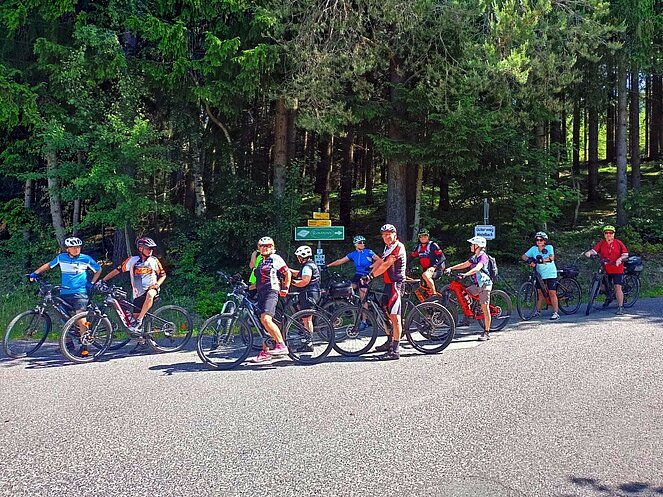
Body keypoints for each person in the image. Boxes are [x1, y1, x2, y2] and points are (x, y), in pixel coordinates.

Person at [30, 236, 102, 355]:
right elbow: (49, 265)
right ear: (67, 249)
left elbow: (98, 269)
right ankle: (68, 344)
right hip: (65, 293)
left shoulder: (86, 259)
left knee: (80, 318)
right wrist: (35, 273)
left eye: (78, 247)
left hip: (80, 293)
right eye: (73, 247)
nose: (76, 249)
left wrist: (92, 283)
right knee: (63, 318)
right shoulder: (61, 257)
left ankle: (85, 346)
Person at [102, 237, 166, 335]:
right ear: (140, 248)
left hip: (151, 289)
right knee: (136, 328)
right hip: (138, 294)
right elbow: (118, 270)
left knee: (149, 295)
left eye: (152, 249)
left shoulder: (154, 260)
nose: (150, 251)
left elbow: (163, 275)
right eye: (148, 248)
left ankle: (140, 320)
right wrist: (103, 280)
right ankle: (142, 341)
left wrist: (157, 285)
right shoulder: (132, 260)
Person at [361, 224, 407, 360]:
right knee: (384, 310)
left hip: (396, 284)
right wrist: (369, 271)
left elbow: (387, 264)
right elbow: (381, 261)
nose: (386, 237)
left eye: (388, 234)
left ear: (395, 235)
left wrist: (371, 276)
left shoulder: (398, 247)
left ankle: (395, 351)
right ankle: (390, 341)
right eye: (384, 235)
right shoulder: (387, 247)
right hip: (388, 284)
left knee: (394, 316)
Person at [445, 236, 493, 340]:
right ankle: (469, 314)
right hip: (476, 284)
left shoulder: (483, 257)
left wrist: (465, 275)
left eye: (472, 244)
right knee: (464, 293)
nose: (470, 246)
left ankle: (487, 332)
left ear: (478, 246)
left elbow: (477, 268)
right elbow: (464, 264)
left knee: (485, 307)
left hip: (484, 284)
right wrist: (451, 268)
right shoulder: (475, 257)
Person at [253, 236, 292, 362]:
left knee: (266, 319)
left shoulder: (275, 258)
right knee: (263, 323)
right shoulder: (261, 261)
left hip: (271, 291)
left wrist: (286, 287)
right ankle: (266, 352)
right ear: (258, 247)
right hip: (261, 292)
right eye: (262, 246)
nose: (265, 248)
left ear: (272, 247)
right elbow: (259, 279)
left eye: (268, 246)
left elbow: (287, 273)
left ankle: (281, 345)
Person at [584, 225, 629, 315]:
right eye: (606, 233)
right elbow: (594, 251)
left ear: (613, 234)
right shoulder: (601, 243)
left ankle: (620, 307)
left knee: (617, 287)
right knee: (602, 286)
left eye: (610, 233)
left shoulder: (618, 243)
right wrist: (589, 253)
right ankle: (609, 296)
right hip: (606, 269)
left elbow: (625, 254)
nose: (608, 234)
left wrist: (620, 259)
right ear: (604, 234)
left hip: (617, 269)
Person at [327, 234, 379, 304]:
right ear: (355, 244)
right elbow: (340, 261)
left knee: (363, 299)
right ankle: (352, 306)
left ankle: (365, 310)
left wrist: (371, 267)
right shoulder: (353, 254)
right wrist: (328, 265)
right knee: (347, 288)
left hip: (366, 276)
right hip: (357, 275)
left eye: (363, 242)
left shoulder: (368, 252)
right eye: (360, 242)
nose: (363, 244)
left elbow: (379, 261)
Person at [521, 231, 560, 320]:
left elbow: (551, 257)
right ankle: (537, 311)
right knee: (539, 293)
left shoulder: (549, 247)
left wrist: (542, 260)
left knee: (552, 293)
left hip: (550, 273)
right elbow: (523, 256)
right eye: (537, 240)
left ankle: (556, 313)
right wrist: (529, 261)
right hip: (540, 274)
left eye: (541, 240)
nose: (538, 241)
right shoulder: (533, 249)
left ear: (545, 241)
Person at [290, 245, 321, 352]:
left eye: (298, 256)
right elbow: (299, 273)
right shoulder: (309, 265)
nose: (298, 258)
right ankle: (308, 341)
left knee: (307, 320)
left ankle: (309, 343)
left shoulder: (307, 267)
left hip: (309, 294)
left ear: (302, 257)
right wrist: (288, 270)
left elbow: (304, 281)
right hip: (311, 293)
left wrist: (291, 282)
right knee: (306, 319)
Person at [410, 228, 446, 297]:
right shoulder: (419, 247)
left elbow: (442, 257)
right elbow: (411, 257)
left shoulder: (433, 245)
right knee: (423, 287)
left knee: (425, 275)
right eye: (421, 236)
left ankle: (434, 295)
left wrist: (434, 267)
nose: (423, 238)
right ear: (419, 237)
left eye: (425, 235)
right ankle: (428, 300)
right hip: (426, 270)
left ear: (428, 236)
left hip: (436, 269)